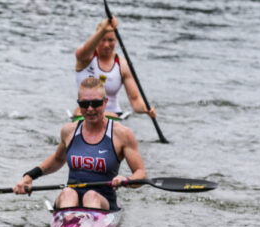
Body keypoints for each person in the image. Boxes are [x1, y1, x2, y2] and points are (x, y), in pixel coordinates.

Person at [13, 77, 146, 210]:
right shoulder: (69, 131)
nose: (90, 109)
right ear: (78, 105)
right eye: (84, 104)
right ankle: (69, 223)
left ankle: (82, 225)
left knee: (91, 196)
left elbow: (140, 172)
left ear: (105, 102)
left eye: (95, 103)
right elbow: (57, 160)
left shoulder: (122, 134)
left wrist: (126, 180)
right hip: (70, 199)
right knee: (67, 192)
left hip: (103, 201)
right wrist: (29, 176)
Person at [72, 16, 157, 120]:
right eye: (102, 40)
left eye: (111, 40)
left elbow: (135, 100)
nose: (106, 45)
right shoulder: (85, 58)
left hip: (112, 115)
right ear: (97, 39)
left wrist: (146, 109)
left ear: (116, 40)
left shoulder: (123, 65)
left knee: (109, 117)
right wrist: (103, 30)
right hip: (85, 113)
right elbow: (84, 50)